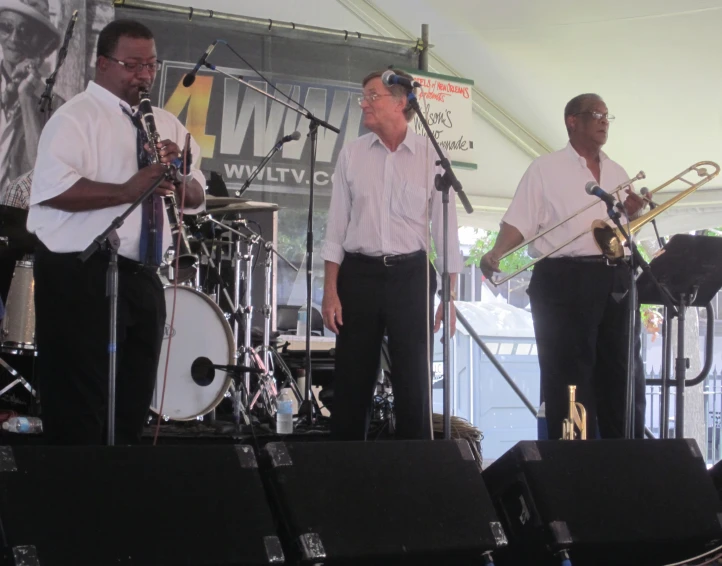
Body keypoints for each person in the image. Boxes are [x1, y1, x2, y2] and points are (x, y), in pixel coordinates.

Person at [27, 19, 205, 445]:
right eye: (133, 65)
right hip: (79, 274)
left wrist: (178, 174)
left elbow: (197, 196)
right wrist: (126, 190)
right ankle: (76, 499)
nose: (144, 75)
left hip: (141, 276)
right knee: (80, 406)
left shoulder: (167, 124)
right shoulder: (75, 118)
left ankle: (118, 494)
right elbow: (52, 190)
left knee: (132, 401)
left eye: (151, 66)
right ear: (103, 64)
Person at [480, 93, 646, 440]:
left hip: (614, 279)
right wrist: (496, 253)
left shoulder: (617, 171)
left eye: (606, 116)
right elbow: (519, 221)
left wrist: (633, 211)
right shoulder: (545, 168)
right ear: (572, 120)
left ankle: (626, 461)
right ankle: (573, 464)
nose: (604, 121)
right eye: (596, 114)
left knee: (622, 373)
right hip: (564, 281)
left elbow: (622, 228)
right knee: (570, 377)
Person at [321, 69, 463, 441]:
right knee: (352, 381)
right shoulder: (352, 155)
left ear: (401, 103)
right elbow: (336, 228)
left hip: (411, 277)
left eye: (372, 96)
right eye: (363, 97)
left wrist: (449, 296)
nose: (364, 104)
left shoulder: (432, 156)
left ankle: (416, 474)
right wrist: (330, 290)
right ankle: (346, 470)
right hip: (359, 276)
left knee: (413, 382)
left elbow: (446, 232)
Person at [0, 0, 61, 197]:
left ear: (43, 45)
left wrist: (26, 98)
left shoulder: (56, 106)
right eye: (5, 27)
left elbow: (42, 175)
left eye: (25, 32)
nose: (14, 38)